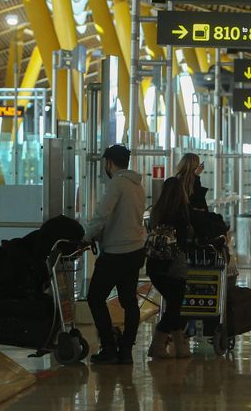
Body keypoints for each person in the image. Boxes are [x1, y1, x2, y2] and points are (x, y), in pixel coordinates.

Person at [83, 145, 146, 365]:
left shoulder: (117, 183)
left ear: (109, 163)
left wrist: (85, 237)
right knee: (129, 300)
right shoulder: (137, 185)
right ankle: (126, 350)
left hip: (116, 253)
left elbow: (101, 215)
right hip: (135, 250)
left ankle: (109, 347)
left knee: (95, 298)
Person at [146, 177, 192, 360]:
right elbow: (183, 241)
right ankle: (157, 345)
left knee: (173, 305)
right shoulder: (181, 213)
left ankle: (180, 347)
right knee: (174, 306)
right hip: (174, 265)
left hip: (154, 265)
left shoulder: (156, 212)